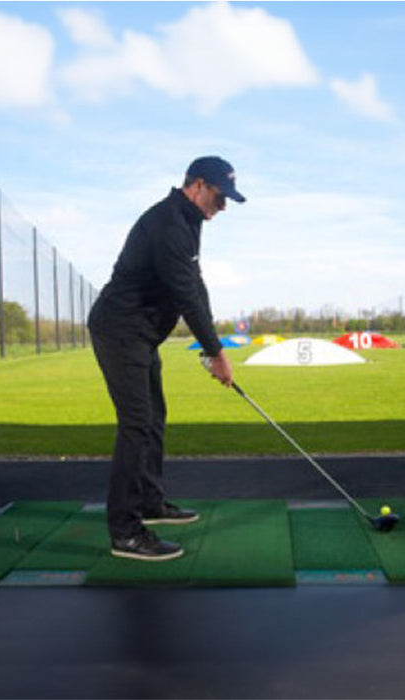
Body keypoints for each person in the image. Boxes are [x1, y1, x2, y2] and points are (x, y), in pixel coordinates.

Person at [88, 156, 246, 562]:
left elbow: (196, 285)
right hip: (120, 331)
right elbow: (184, 295)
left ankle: (149, 503)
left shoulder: (188, 222)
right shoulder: (168, 224)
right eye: (218, 195)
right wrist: (215, 353)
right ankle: (125, 532)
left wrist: (217, 345)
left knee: (154, 417)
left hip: (142, 336)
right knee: (136, 424)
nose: (223, 206)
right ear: (195, 185)